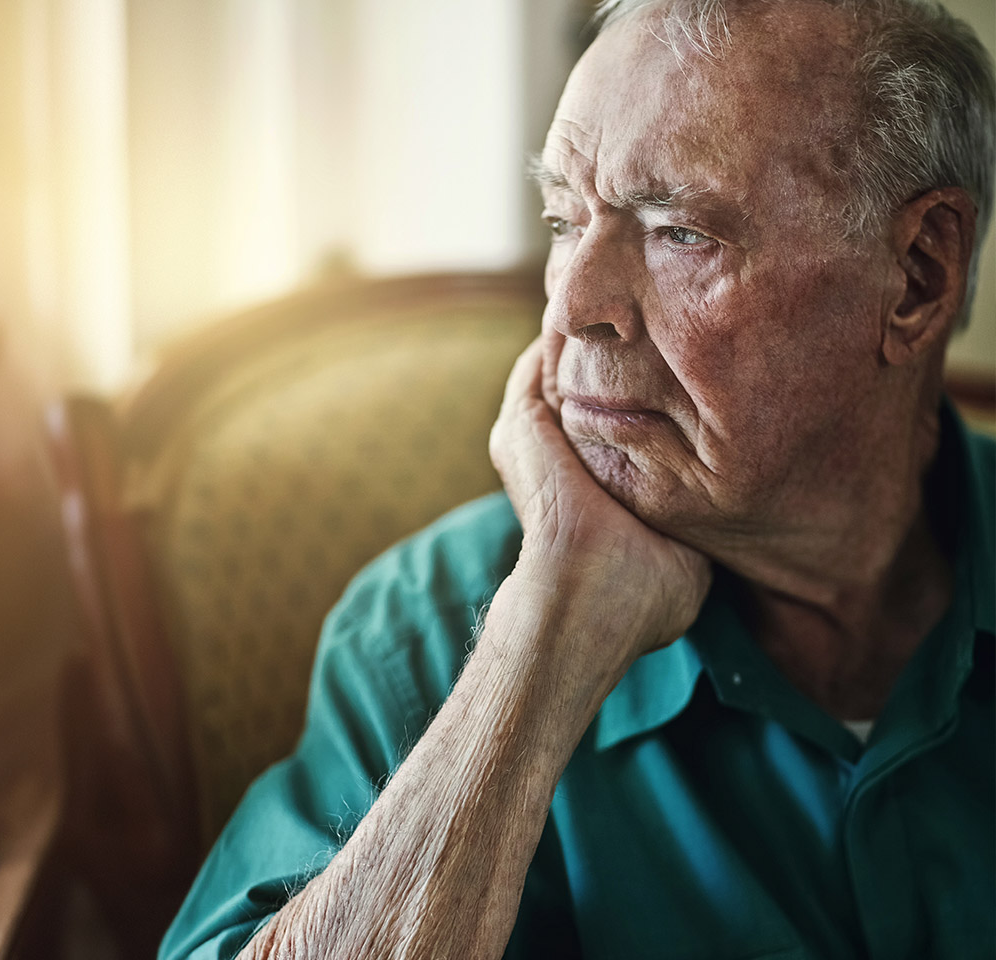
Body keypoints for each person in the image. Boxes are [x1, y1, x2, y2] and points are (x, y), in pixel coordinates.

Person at [159, 0, 996, 956]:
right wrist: (544, 645)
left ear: (919, 274)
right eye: (565, 218)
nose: (572, 304)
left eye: (680, 230)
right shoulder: (426, 628)